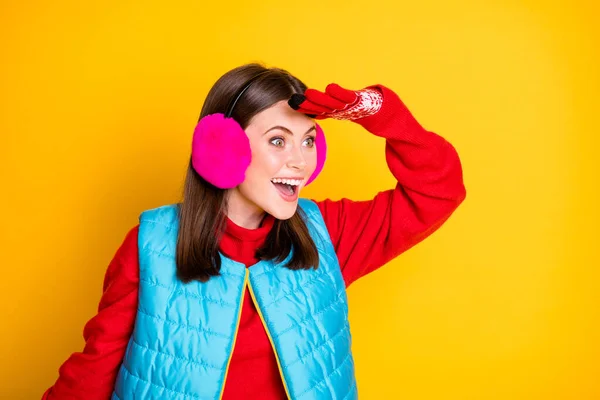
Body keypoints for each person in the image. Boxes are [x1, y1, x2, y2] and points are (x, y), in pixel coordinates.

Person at [42, 63, 466, 400]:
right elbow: (93, 371)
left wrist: (385, 116)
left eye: (309, 140)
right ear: (222, 148)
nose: (301, 162)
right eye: (279, 141)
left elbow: (440, 191)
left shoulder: (330, 234)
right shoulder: (150, 243)